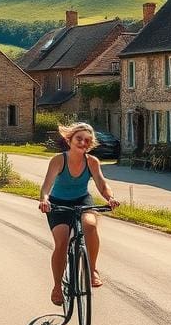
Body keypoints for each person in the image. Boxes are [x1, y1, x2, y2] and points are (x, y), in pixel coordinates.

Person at [38, 122, 120, 306]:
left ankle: (92, 270)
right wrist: (44, 200)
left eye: (87, 141)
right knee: (62, 242)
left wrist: (110, 198)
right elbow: (46, 186)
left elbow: (101, 183)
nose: (83, 143)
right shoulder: (59, 160)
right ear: (70, 140)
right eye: (79, 139)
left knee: (90, 226)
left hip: (82, 200)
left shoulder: (92, 162)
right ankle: (57, 287)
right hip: (58, 204)